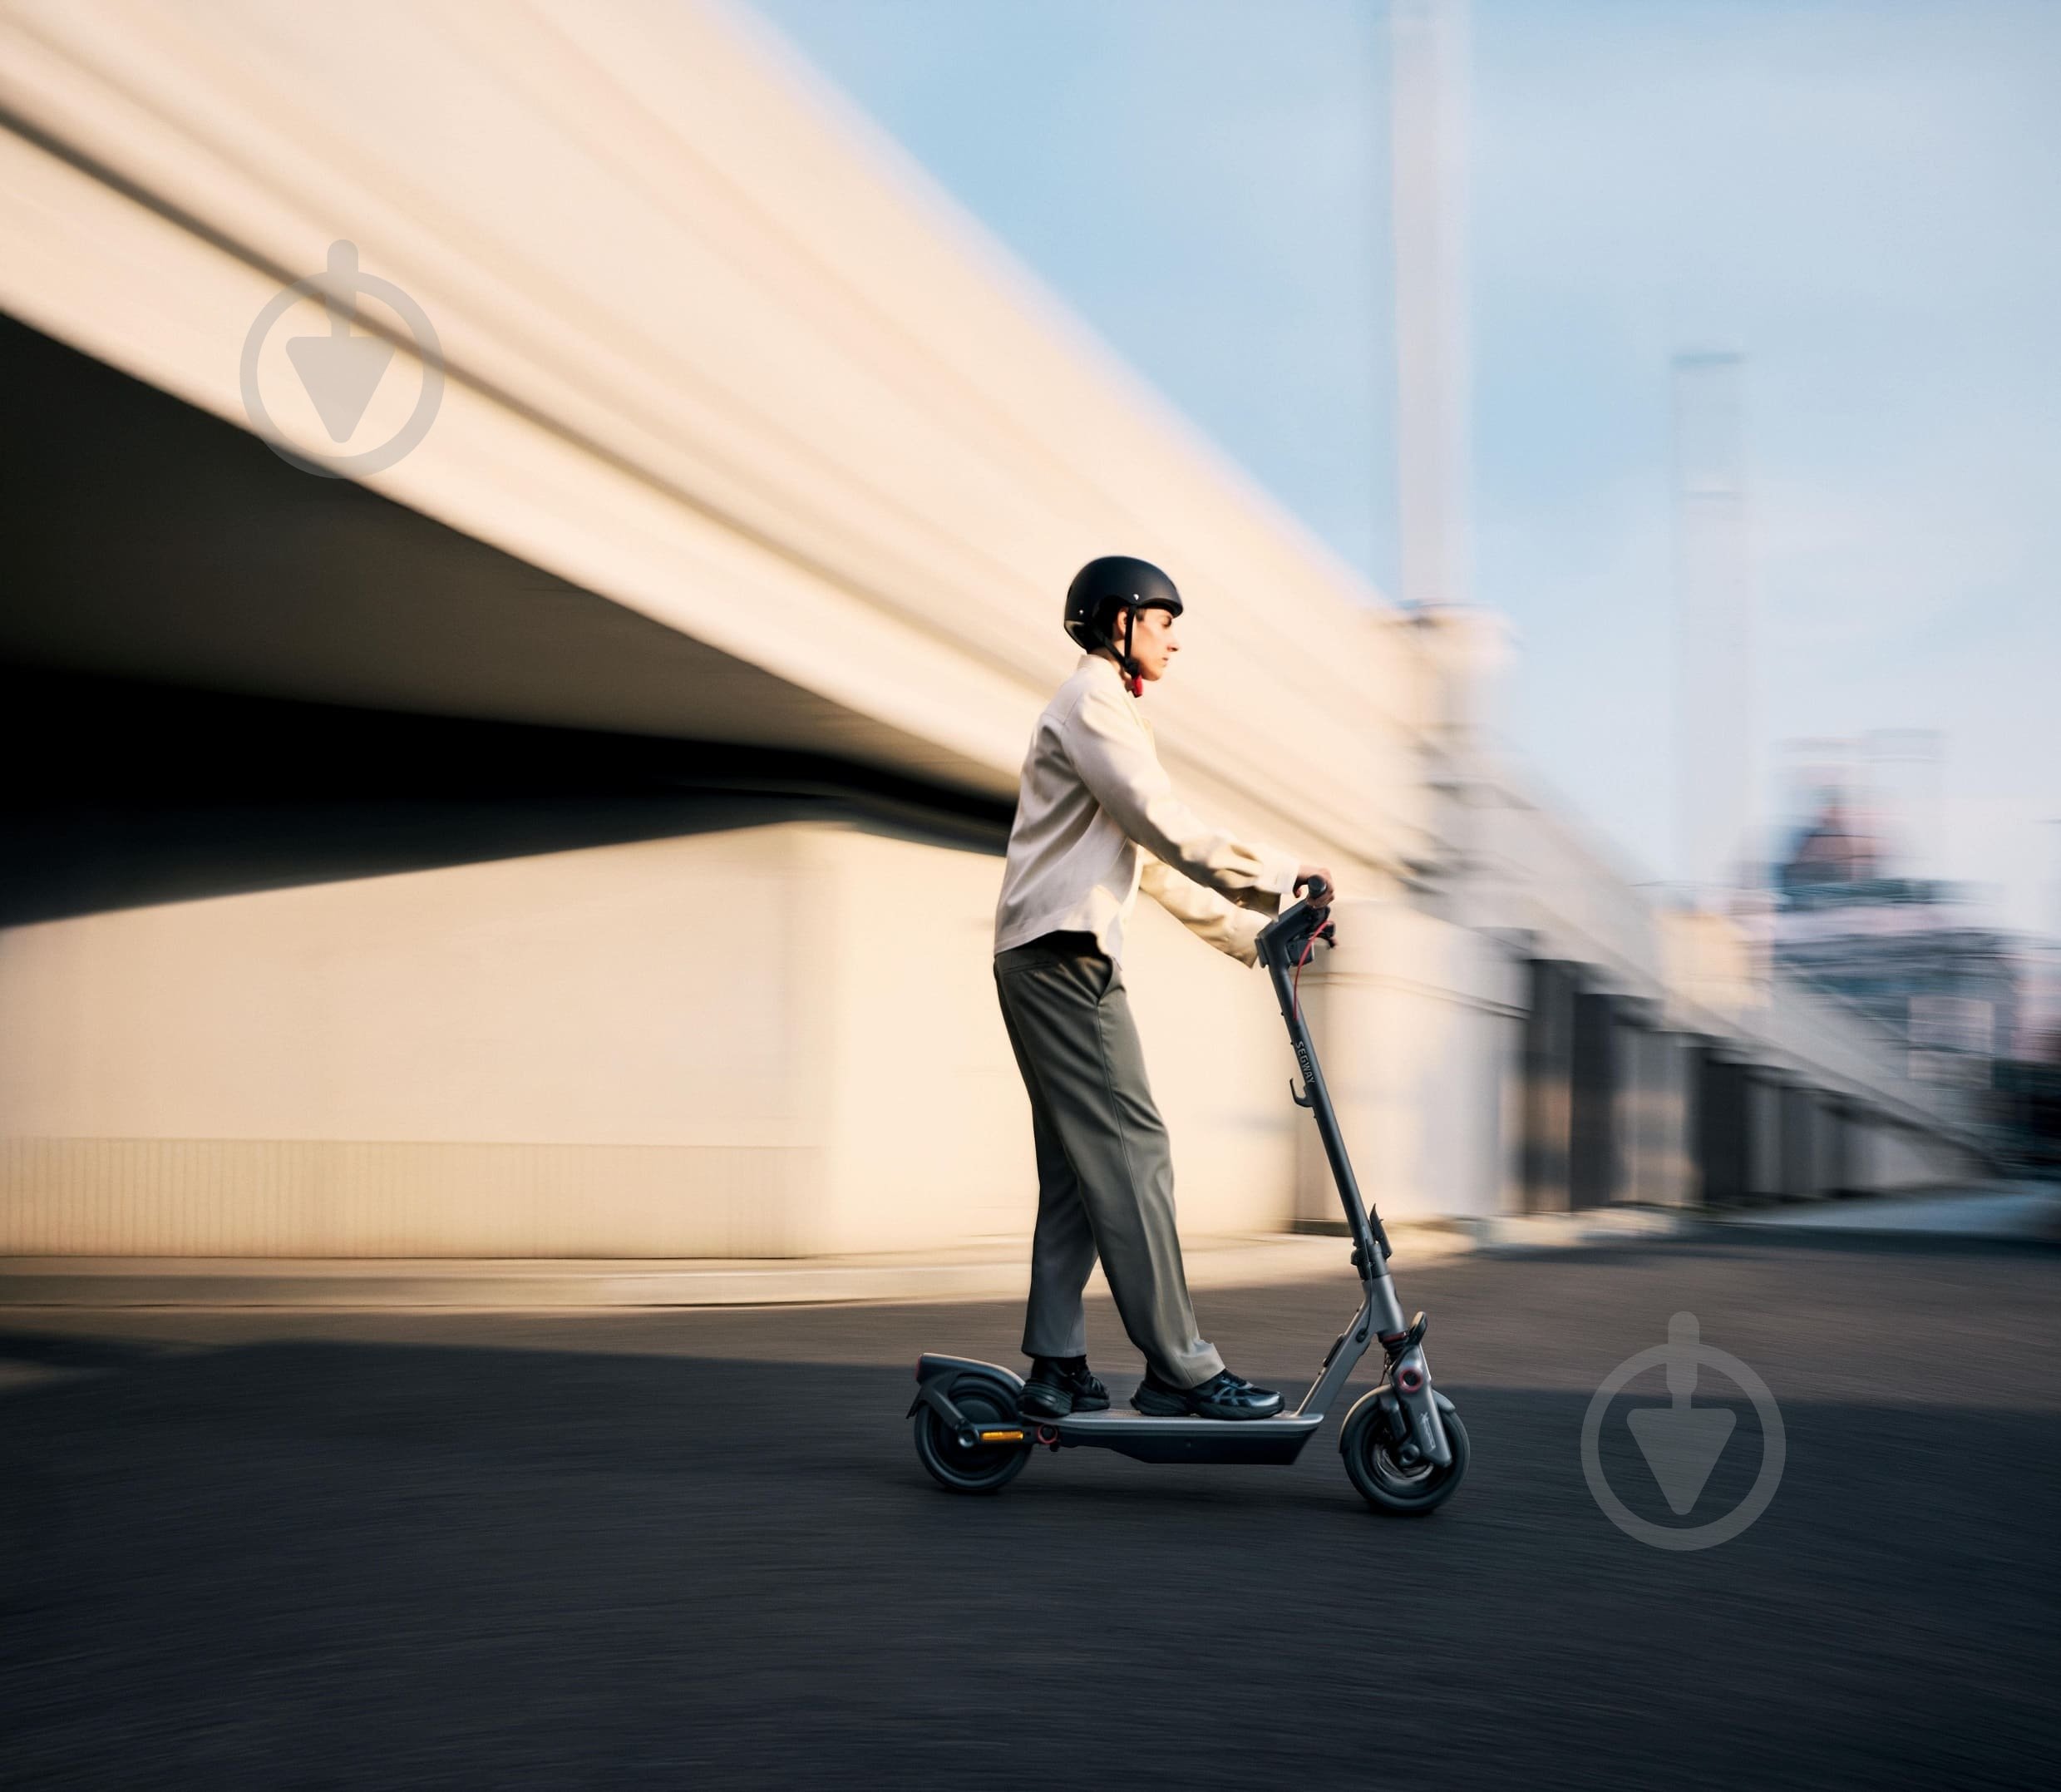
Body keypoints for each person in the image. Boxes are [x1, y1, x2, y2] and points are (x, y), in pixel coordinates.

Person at [994, 555, 1334, 1424]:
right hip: (1064, 961)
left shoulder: (1098, 712)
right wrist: (1284, 873)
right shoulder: (1092, 703)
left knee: (1080, 1169)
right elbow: (1166, 826)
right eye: (1162, 620)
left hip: (1047, 958)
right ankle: (1180, 1367)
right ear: (1117, 622)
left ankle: (1057, 1365)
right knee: (1135, 1153)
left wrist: (1252, 934)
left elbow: (1145, 860)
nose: (1174, 640)